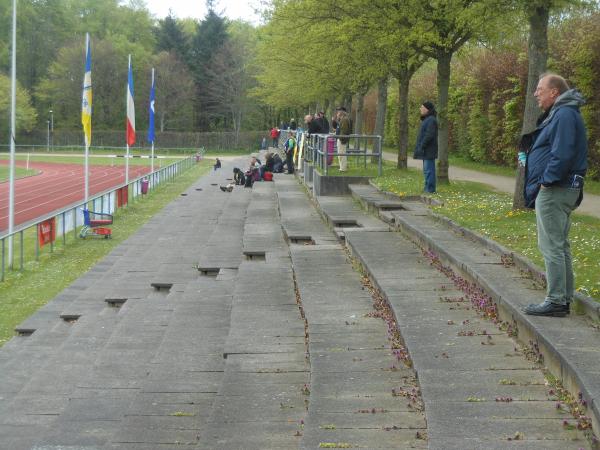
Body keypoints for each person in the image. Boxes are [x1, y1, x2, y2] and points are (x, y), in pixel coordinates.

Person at [522, 73, 587, 317]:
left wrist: (546, 183)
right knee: (560, 245)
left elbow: (562, 153)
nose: (536, 93)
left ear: (554, 92)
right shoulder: (563, 113)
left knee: (551, 245)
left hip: (556, 189)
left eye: (540, 89)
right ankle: (563, 297)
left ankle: (556, 300)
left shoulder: (564, 114)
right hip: (560, 188)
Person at [412, 101, 438, 193]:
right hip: (426, 150)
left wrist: (422, 145)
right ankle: (427, 188)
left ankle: (430, 189)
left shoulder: (431, 120)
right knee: (427, 170)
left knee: (429, 170)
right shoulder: (427, 119)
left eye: (422, 107)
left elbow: (429, 135)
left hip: (429, 150)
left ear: (427, 109)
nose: (420, 109)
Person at [335, 107, 351, 172]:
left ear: (341, 113)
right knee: (340, 154)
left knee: (341, 154)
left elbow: (344, 131)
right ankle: (342, 167)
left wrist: (341, 138)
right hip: (341, 138)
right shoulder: (342, 119)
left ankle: (343, 168)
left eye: (338, 112)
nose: (337, 114)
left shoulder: (344, 120)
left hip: (342, 139)